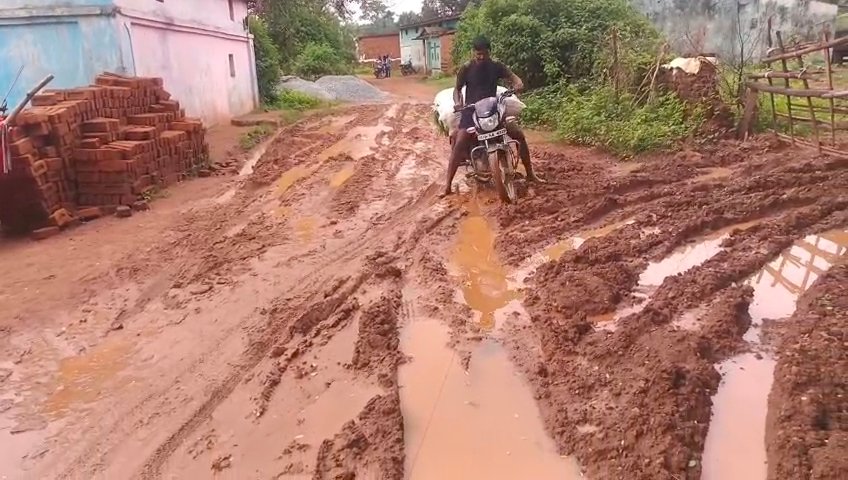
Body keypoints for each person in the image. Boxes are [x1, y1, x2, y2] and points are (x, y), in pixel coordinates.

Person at [441, 36, 543, 197]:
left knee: (518, 134)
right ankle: (447, 186)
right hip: (471, 111)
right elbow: (457, 89)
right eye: (478, 54)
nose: (481, 57)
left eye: (484, 54)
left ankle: (530, 173)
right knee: (460, 141)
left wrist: (518, 83)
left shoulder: (496, 66)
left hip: (492, 109)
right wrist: (457, 102)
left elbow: (512, 76)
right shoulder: (466, 68)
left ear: (489, 52)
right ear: (473, 53)